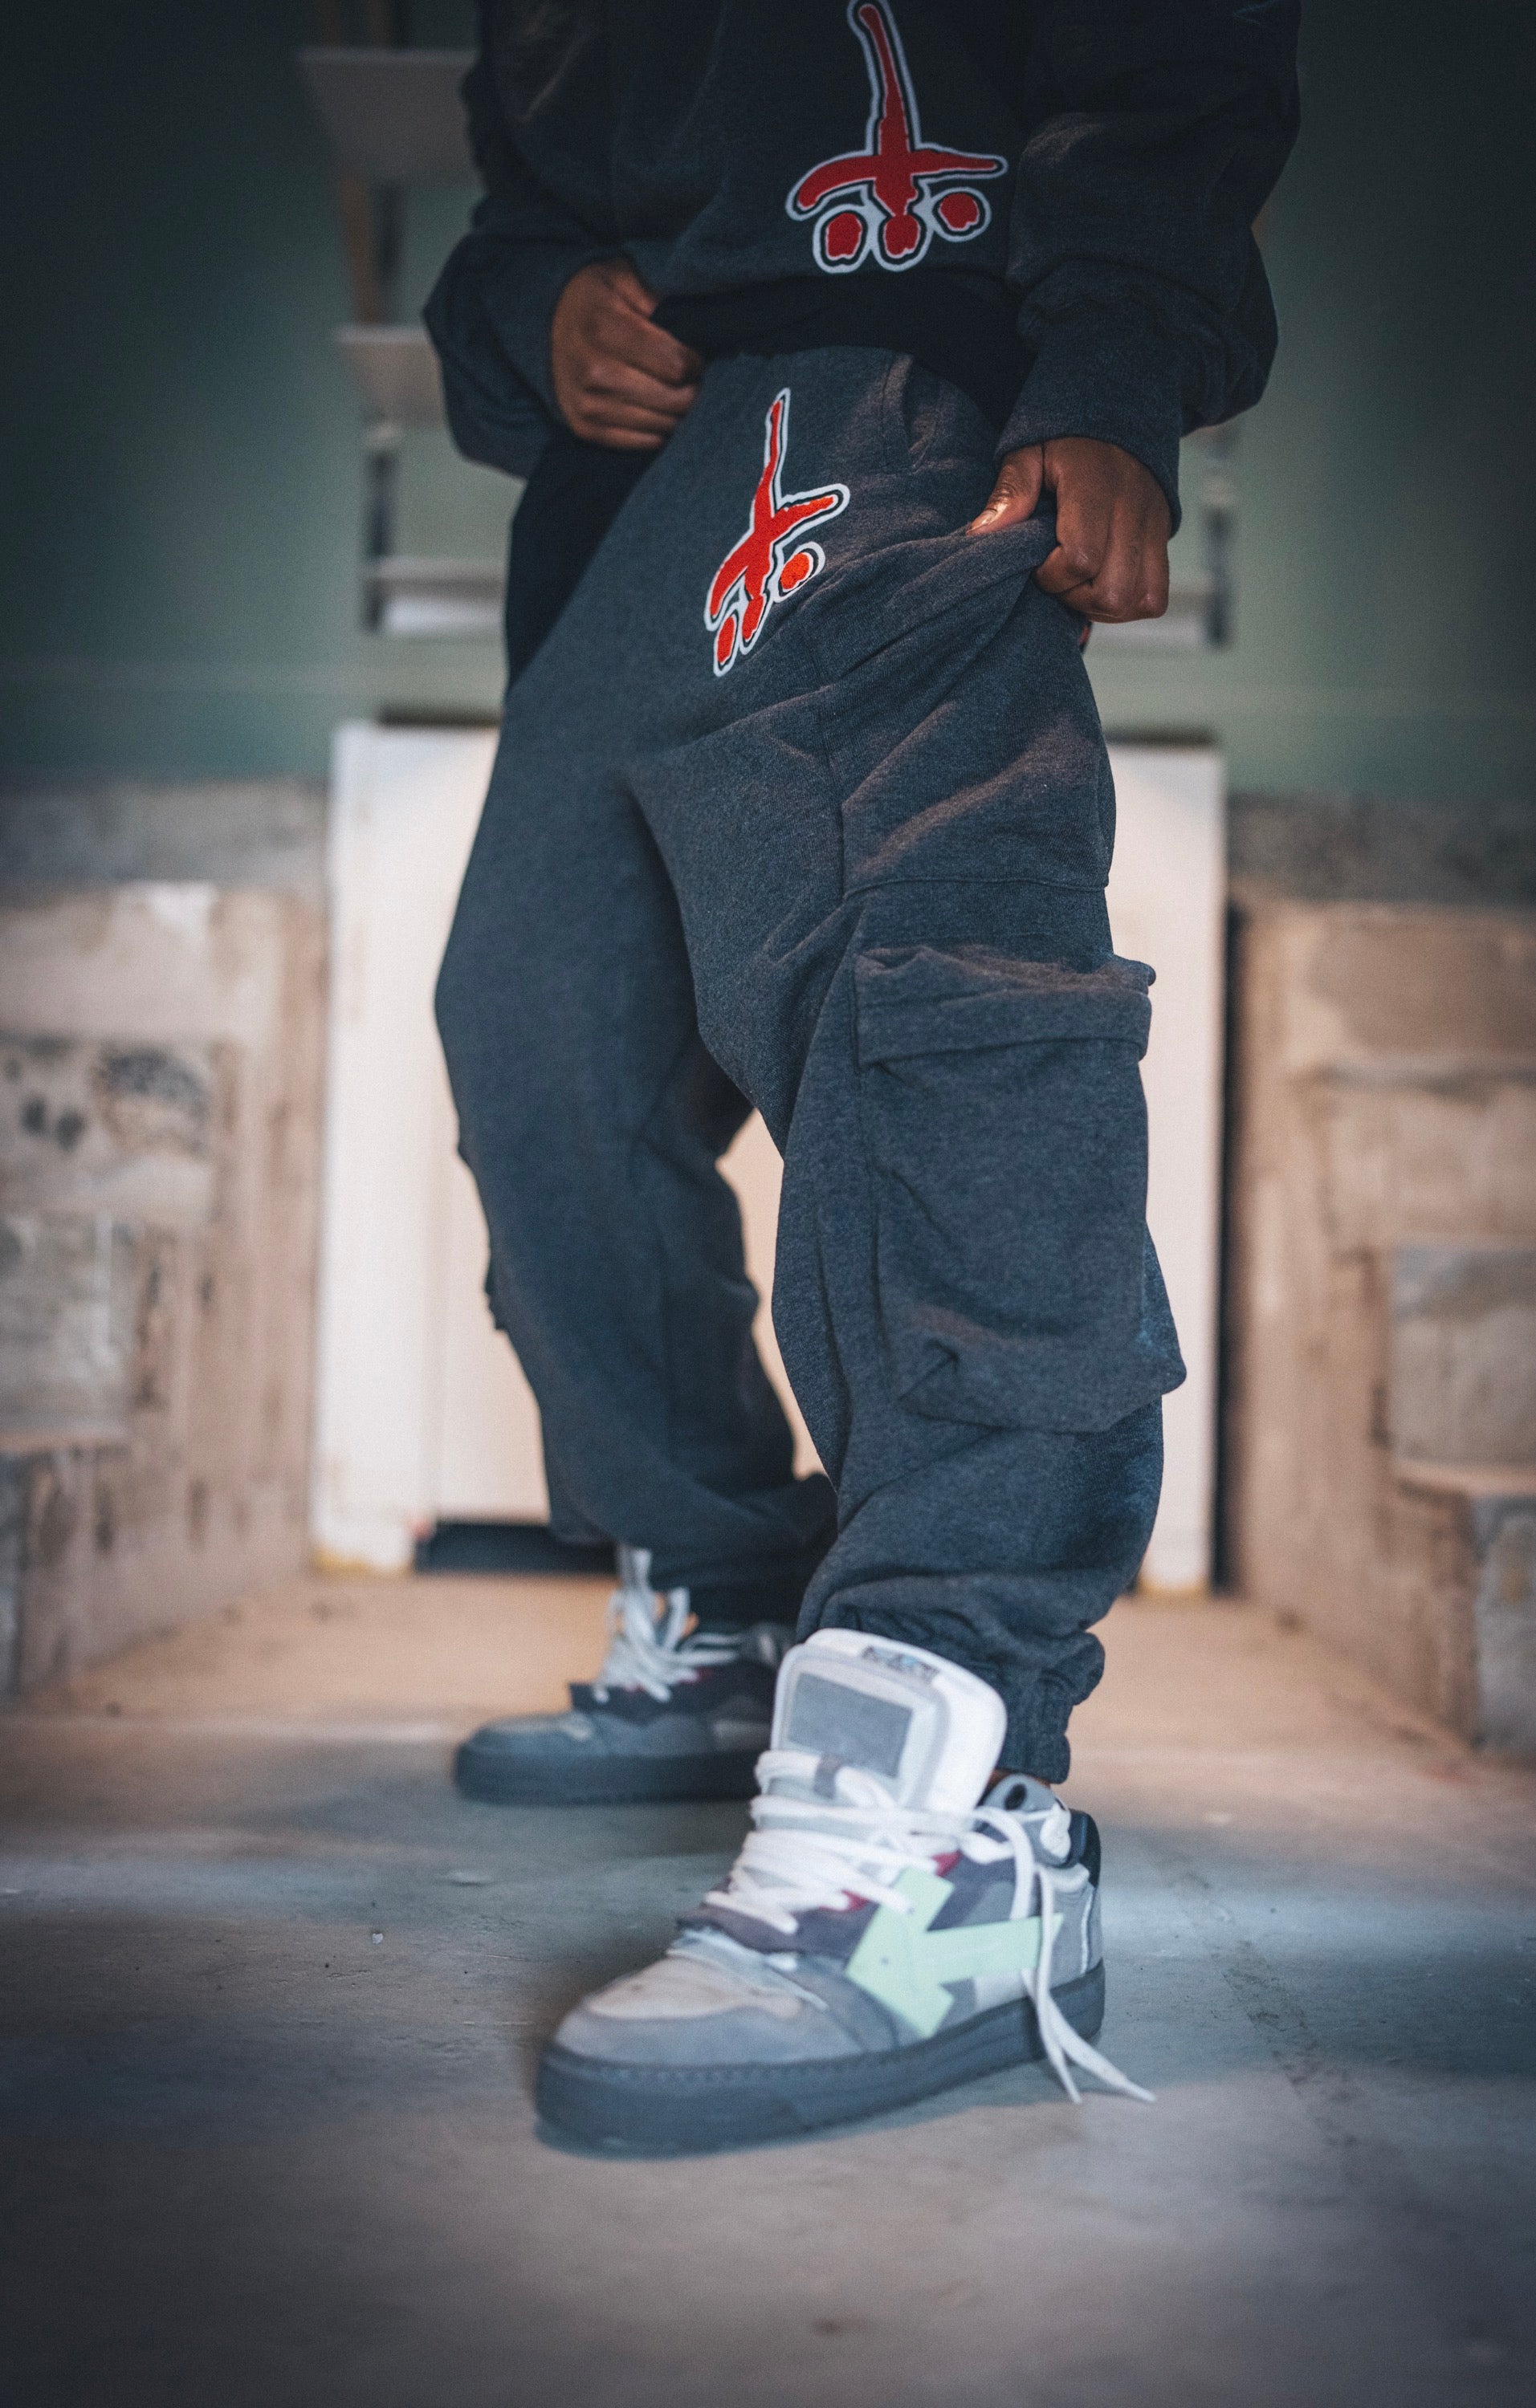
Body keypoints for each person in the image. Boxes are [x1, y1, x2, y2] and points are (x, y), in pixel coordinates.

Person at [426, 0, 1298, 2149]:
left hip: (919, 373)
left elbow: (1171, 58)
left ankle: (952, 1774)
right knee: (539, 1038)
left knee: (936, 995)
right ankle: (727, 1585)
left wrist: (1110, 363)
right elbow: (518, 202)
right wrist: (534, 315)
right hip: (632, 499)